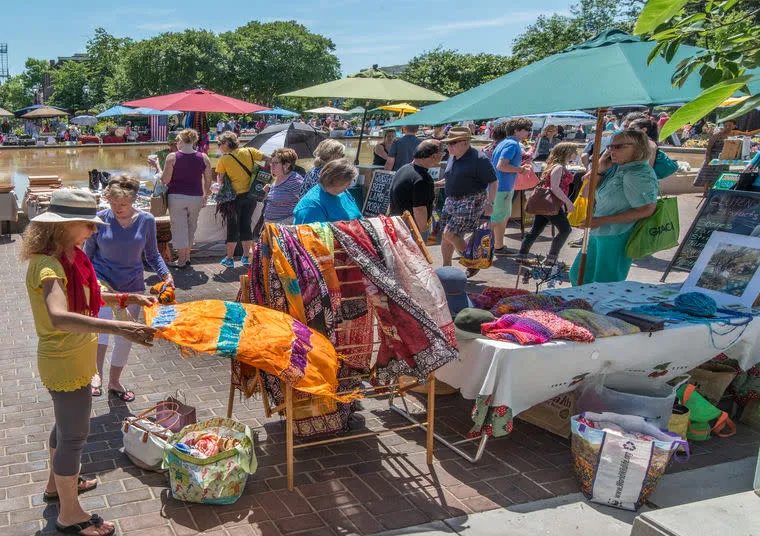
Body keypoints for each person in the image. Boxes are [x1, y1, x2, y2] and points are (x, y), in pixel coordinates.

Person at [22, 189, 157, 536]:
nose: (94, 231)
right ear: (66, 226)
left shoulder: (72, 256)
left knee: (64, 428)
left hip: (75, 358)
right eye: (88, 225)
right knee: (74, 438)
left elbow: (89, 295)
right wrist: (119, 327)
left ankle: (57, 487)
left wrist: (127, 297)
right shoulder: (48, 265)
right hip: (64, 360)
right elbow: (59, 316)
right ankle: (70, 516)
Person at [84, 175, 173, 400]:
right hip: (102, 283)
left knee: (125, 336)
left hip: (133, 287)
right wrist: (84, 282)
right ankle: (96, 374)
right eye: (113, 204)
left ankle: (115, 381)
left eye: (122, 204)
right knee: (101, 331)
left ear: (133, 200)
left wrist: (166, 274)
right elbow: (87, 255)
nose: (117, 208)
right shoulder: (99, 219)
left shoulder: (147, 220)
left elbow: (152, 254)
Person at [569, 130, 658, 285]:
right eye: (610, 146)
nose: (611, 150)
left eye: (619, 146)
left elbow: (647, 209)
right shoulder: (618, 168)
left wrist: (603, 220)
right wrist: (600, 169)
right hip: (600, 232)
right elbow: (585, 193)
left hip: (617, 234)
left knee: (603, 284)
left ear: (638, 147)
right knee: (579, 276)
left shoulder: (637, 173)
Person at [439, 126, 498, 277]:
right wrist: (433, 183)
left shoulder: (480, 159)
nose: (448, 146)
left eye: (452, 143)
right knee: (446, 236)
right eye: (448, 143)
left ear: (465, 142)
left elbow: (493, 182)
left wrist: (490, 203)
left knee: (450, 233)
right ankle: (447, 270)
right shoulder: (454, 156)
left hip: (470, 200)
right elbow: (451, 177)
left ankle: (473, 261)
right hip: (451, 200)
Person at [158, 128, 213, 268]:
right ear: (194, 141)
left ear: (181, 141)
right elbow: (208, 180)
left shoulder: (172, 157)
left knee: (179, 228)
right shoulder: (204, 157)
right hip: (196, 196)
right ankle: (187, 257)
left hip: (176, 196)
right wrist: (205, 194)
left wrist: (157, 168)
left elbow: (165, 180)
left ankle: (181, 260)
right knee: (191, 227)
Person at [516, 143, 578, 265]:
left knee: (536, 230)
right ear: (567, 152)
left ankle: (522, 254)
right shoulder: (559, 167)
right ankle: (551, 258)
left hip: (546, 203)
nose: (576, 154)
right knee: (565, 230)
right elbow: (554, 187)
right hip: (551, 204)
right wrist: (568, 202)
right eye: (574, 151)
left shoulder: (554, 166)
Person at [215, 131, 270, 268]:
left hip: (233, 198)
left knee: (232, 227)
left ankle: (229, 258)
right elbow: (269, 159)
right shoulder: (250, 151)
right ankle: (246, 257)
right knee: (246, 224)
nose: (219, 147)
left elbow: (220, 181)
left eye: (219, 144)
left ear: (227, 143)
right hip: (251, 195)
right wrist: (261, 174)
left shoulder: (224, 159)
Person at [490, 118, 533, 255]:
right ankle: (467, 244)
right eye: (526, 129)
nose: (529, 133)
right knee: (496, 219)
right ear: (517, 130)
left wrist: (518, 168)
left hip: (501, 187)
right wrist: (520, 170)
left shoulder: (504, 143)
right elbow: (501, 166)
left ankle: (498, 246)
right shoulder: (512, 145)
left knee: (501, 218)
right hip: (502, 188)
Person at [389, 140, 445, 233]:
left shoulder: (404, 169)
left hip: (397, 222)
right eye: (442, 153)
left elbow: (410, 189)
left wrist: (434, 185)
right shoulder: (423, 179)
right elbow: (419, 209)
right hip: (411, 227)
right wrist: (423, 231)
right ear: (434, 156)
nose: (443, 156)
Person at [293, 158, 363, 224]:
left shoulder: (343, 192)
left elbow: (358, 216)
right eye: (348, 182)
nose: (349, 186)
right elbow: (311, 235)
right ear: (337, 181)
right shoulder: (311, 206)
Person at [263, 147, 303, 225]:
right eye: (271, 162)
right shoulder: (278, 178)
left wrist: (285, 224)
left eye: (275, 163)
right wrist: (270, 189)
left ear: (287, 165)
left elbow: (304, 205)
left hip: (284, 229)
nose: (272, 165)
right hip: (271, 226)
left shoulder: (295, 181)